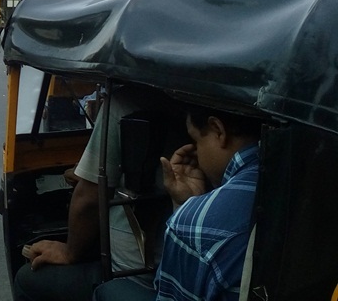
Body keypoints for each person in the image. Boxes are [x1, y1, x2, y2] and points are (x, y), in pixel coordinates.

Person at [14, 86, 168, 301]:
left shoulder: (125, 102)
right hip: (176, 273)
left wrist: (70, 252)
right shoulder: (198, 103)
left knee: (27, 278)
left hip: (134, 277)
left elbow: (89, 196)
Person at [94, 107, 261, 301]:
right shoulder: (297, 182)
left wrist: (189, 211)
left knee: (111, 290)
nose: (196, 153)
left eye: (196, 141)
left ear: (218, 130)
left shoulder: (195, 225)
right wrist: (188, 202)